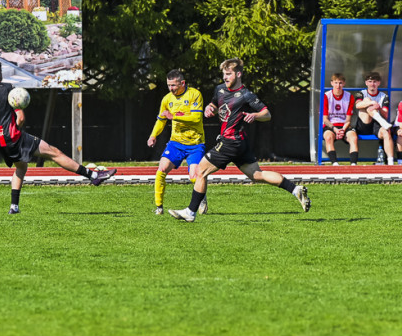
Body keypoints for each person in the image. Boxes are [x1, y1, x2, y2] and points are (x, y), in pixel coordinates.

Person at [168, 58, 310, 222]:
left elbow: (267, 114)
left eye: (228, 74)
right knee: (257, 175)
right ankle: (295, 190)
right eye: (223, 74)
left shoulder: (246, 95)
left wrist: (255, 115)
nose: (225, 77)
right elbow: (215, 105)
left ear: (239, 74)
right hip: (239, 143)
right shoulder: (220, 89)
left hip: (231, 141)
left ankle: (190, 212)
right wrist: (209, 108)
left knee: (200, 171)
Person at [0, 60, 115, 213]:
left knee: (21, 167)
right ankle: (93, 175)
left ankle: (14, 207)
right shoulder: (8, 89)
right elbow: (21, 119)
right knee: (54, 152)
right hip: (13, 137)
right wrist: (16, 131)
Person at [147, 69, 208, 215]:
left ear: (183, 83)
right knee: (161, 169)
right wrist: (153, 135)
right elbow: (161, 120)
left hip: (195, 143)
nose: (171, 89)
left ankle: (202, 196)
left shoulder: (194, 94)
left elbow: (196, 119)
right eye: (169, 85)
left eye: (174, 85)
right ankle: (159, 207)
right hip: (175, 143)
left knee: (194, 176)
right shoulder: (167, 99)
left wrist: (173, 116)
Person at [354, 71, 395, 165]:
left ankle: (390, 162)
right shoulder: (362, 93)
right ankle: (382, 122)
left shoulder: (384, 96)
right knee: (367, 100)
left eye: (375, 81)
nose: (372, 84)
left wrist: (378, 107)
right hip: (364, 124)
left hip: (377, 124)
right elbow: (357, 105)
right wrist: (372, 103)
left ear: (379, 83)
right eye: (370, 81)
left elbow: (385, 114)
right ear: (366, 83)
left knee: (386, 132)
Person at [321, 72, 359, 165]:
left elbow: (348, 119)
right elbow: (325, 119)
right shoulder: (326, 96)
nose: (338, 85)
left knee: (353, 137)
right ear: (332, 83)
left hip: (344, 126)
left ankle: (353, 164)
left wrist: (342, 130)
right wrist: (335, 129)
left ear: (344, 84)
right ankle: (335, 164)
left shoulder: (349, 96)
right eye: (336, 82)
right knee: (328, 137)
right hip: (331, 125)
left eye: (340, 83)